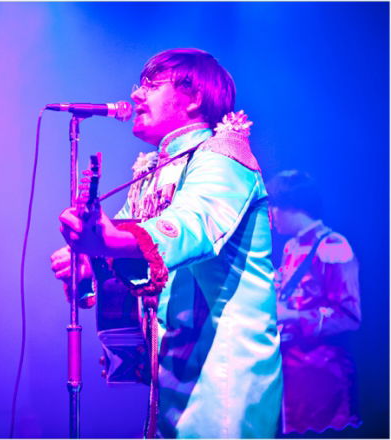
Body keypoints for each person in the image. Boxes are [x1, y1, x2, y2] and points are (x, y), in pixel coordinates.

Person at [50, 48, 282, 438]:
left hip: (225, 370)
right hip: (174, 372)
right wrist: (90, 263)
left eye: (151, 85)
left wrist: (107, 240)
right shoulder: (153, 172)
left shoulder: (222, 157)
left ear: (194, 98)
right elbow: (123, 253)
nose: (136, 94)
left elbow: (192, 227)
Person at [267, 170, 362, 436]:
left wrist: (290, 315)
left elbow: (349, 317)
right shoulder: (291, 247)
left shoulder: (333, 245)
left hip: (322, 375)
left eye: (273, 206)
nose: (271, 215)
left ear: (290, 206)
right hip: (291, 369)